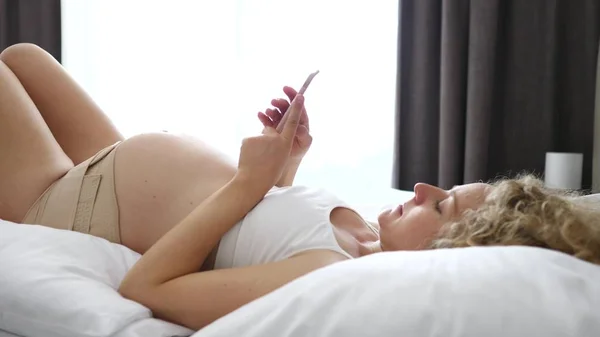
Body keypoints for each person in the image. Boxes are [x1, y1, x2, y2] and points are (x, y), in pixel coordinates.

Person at [1, 43, 599, 331]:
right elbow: (258, 235)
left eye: (439, 204)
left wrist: (246, 182)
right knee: (24, 55)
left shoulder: (323, 274)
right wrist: (287, 166)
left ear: (450, 257)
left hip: (75, 205)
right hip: (110, 167)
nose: (419, 186)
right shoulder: (365, 237)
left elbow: (147, 285)